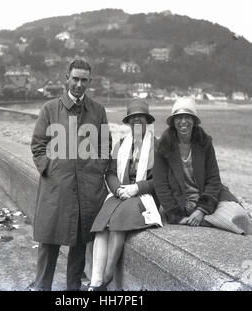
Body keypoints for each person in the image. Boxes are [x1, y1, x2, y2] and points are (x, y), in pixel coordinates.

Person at [30, 59, 111, 291]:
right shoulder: (49, 109)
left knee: (79, 241)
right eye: (75, 78)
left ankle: (73, 290)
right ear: (66, 78)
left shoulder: (98, 111)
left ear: (90, 82)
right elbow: (38, 146)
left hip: (87, 188)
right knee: (49, 241)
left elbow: (105, 145)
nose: (78, 84)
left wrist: (96, 172)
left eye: (83, 80)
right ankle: (42, 287)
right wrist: (51, 170)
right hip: (56, 187)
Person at [88, 101, 162, 291]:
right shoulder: (121, 145)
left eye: (141, 118)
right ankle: (96, 282)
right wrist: (118, 189)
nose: (137, 121)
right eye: (133, 119)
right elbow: (110, 172)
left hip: (145, 196)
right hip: (121, 194)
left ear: (147, 121)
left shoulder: (158, 146)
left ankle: (108, 273)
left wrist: (136, 188)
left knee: (119, 219)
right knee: (101, 224)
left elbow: (162, 179)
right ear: (128, 123)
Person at [154, 97, 252, 235]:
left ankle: (203, 219)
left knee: (239, 216)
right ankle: (202, 221)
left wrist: (201, 210)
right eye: (179, 117)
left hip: (205, 197)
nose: (183, 121)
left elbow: (214, 179)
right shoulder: (163, 146)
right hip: (179, 201)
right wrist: (175, 216)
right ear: (173, 121)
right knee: (221, 225)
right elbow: (161, 184)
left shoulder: (204, 142)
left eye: (188, 117)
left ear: (194, 121)